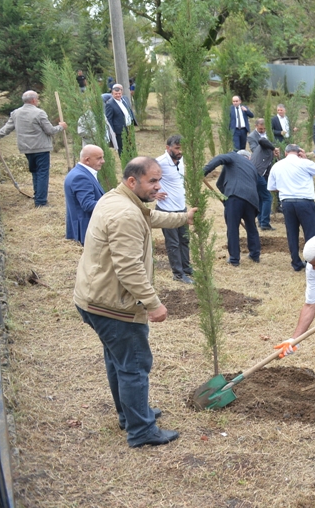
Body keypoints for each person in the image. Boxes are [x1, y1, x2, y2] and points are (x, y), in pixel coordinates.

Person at [74, 157, 195, 447]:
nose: (158, 186)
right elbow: (128, 267)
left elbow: (150, 218)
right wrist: (153, 304)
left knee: (119, 361)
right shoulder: (125, 214)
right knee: (134, 364)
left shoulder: (117, 199)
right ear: (133, 181)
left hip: (92, 297)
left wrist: (183, 217)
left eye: (159, 179)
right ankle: (141, 431)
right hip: (112, 305)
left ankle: (130, 415)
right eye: (152, 181)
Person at [0, 90, 68, 207]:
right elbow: (50, 131)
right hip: (41, 148)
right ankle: (40, 202)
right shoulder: (39, 113)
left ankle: (38, 196)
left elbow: (4, 130)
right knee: (42, 173)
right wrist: (61, 127)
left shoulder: (16, 113)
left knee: (35, 172)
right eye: (38, 99)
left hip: (26, 149)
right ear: (34, 100)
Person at [268, 144, 315, 271]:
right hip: (304, 201)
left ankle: (296, 262)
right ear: (299, 152)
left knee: (292, 233)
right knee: (310, 233)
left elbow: (271, 187)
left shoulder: (277, 165)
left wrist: (285, 188)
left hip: (287, 202)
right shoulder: (304, 163)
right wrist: (305, 158)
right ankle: (311, 262)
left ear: (286, 153)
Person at [203, 150, 261, 266]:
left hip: (235, 196)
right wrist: (226, 199)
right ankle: (255, 254)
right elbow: (221, 183)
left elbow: (220, 158)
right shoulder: (252, 167)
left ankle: (234, 259)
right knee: (251, 227)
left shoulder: (234, 156)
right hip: (251, 199)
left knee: (233, 228)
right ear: (248, 158)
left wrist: (203, 171)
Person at [153, 136, 194, 284]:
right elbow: (143, 177)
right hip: (166, 210)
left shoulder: (181, 159)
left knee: (184, 240)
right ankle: (178, 274)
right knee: (173, 243)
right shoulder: (160, 162)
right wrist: (154, 193)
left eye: (181, 148)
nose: (180, 151)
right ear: (167, 147)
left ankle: (187, 268)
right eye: (177, 148)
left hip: (182, 208)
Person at [64, 145, 106, 244]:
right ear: (87, 160)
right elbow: (88, 205)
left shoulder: (81, 172)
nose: (103, 161)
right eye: (99, 158)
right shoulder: (81, 177)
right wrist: (112, 202)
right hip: (88, 228)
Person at [248, 118, 278, 231]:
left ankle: (261, 221)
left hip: (259, 173)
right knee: (267, 197)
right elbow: (262, 141)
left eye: (265, 128)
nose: (263, 130)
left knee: (261, 197)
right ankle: (265, 223)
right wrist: (273, 148)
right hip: (257, 173)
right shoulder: (261, 142)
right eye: (261, 128)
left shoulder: (267, 147)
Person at [103, 84, 136, 156]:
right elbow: (109, 119)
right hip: (119, 130)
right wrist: (112, 131)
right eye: (116, 94)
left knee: (130, 146)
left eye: (119, 93)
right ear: (112, 94)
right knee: (122, 148)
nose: (118, 95)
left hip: (128, 128)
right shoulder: (110, 104)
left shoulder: (123, 100)